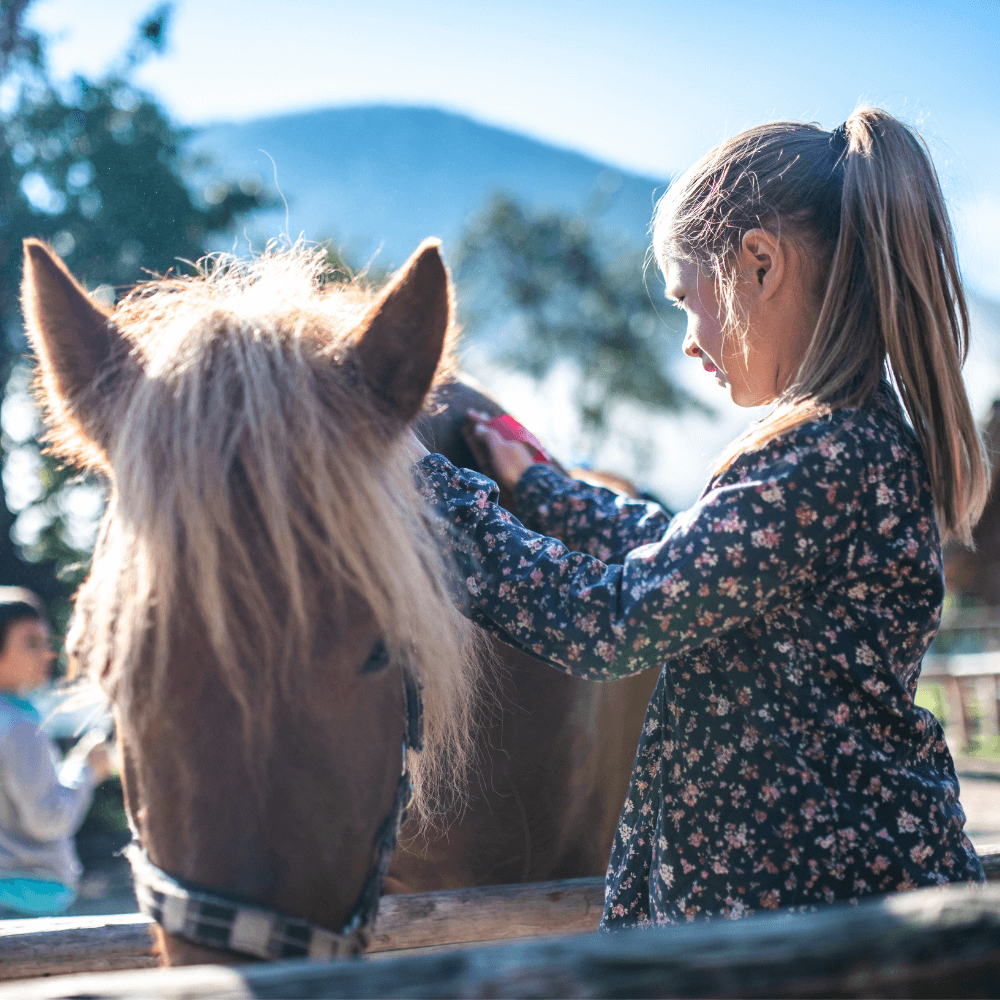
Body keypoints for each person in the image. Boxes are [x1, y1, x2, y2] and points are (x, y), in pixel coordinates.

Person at [411, 107, 989, 927]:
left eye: (689, 297)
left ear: (759, 262)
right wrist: (544, 490)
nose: (688, 340)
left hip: (816, 926)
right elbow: (681, 559)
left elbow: (613, 622)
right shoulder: (846, 441)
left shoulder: (820, 454)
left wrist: (433, 494)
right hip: (829, 901)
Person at [0, 588, 113, 917]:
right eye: (31, 642)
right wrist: (87, 768)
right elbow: (49, 819)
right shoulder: (18, 725)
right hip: (25, 899)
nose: (47, 654)